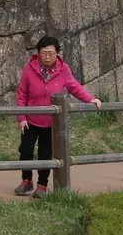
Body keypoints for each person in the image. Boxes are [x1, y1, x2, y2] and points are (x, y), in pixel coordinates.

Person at [14, 34, 98, 196]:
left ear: (57, 53)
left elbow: (74, 87)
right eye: (44, 53)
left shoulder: (63, 69)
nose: (47, 57)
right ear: (38, 52)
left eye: (51, 53)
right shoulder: (29, 68)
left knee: (45, 154)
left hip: (51, 122)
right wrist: (21, 117)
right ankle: (26, 181)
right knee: (25, 150)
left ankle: (42, 185)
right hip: (31, 120)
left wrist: (90, 99)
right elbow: (21, 94)